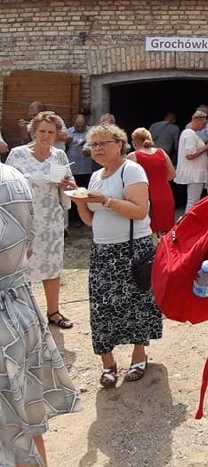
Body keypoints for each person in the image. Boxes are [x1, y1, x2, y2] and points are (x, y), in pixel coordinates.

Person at [68, 123, 162, 388]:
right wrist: (80, 203)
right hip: (102, 250)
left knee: (136, 304)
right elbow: (90, 221)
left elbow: (139, 211)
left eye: (103, 143)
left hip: (131, 249)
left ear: (119, 143)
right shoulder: (97, 176)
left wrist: (106, 201)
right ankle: (108, 363)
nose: (97, 149)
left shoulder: (131, 170)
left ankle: (138, 355)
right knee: (101, 308)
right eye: (93, 144)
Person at [0, 162, 81, 466]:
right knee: (27, 424)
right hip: (20, 309)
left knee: (10, 433)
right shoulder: (13, 176)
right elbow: (29, 248)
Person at [6, 111, 76, 330]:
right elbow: (6, 183)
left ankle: (53, 312)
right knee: (21, 268)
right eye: (42, 131)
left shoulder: (59, 156)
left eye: (51, 132)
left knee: (52, 266)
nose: (46, 135)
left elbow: (70, 185)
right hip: (23, 219)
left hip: (51, 220)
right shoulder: (17, 154)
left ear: (56, 135)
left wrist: (67, 186)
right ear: (33, 132)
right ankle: (24, 315)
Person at [127, 127, 176, 237]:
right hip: (165, 195)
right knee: (166, 233)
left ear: (134, 142)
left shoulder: (133, 156)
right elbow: (172, 175)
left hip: (147, 196)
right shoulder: (161, 152)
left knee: (149, 233)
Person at [175, 110, 208, 212]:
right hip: (195, 173)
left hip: (196, 173)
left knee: (193, 201)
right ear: (197, 120)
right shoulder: (189, 133)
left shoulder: (192, 134)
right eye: (204, 124)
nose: (205, 127)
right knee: (193, 201)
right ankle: (186, 225)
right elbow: (190, 155)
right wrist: (206, 147)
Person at [65, 113, 93, 227]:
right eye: (78, 126)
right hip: (73, 169)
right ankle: (74, 219)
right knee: (74, 195)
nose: (80, 128)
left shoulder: (91, 131)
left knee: (86, 195)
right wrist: (67, 142)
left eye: (82, 126)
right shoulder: (68, 132)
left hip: (87, 169)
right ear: (74, 124)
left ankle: (86, 219)